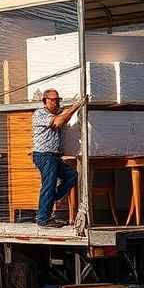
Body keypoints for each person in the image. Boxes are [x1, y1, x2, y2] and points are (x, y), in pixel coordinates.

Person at [32, 89, 84, 228]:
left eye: (57, 100)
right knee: (49, 184)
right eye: (52, 100)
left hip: (54, 156)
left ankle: (51, 197)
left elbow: (64, 117)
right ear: (45, 101)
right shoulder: (40, 114)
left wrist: (72, 107)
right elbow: (59, 122)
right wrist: (75, 106)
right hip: (44, 155)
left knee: (72, 175)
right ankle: (43, 218)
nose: (56, 102)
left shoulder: (58, 112)